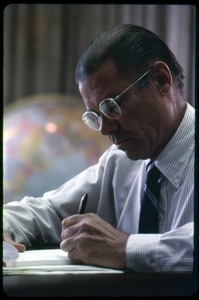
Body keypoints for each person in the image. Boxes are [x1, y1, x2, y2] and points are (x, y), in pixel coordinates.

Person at [3, 24, 194, 272]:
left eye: (112, 106)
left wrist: (124, 249)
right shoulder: (120, 162)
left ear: (160, 80)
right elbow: (48, 210)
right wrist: (6, 224)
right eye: (95, 115)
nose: (104, 129)